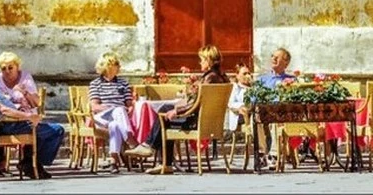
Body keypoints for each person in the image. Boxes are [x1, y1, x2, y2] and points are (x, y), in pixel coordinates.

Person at [139, 44, 229, 175]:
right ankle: (159, 157)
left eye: (202, 59)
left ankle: (156, 153)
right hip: (209, 122)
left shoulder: (209, 78)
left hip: (195, 122)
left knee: (165, 116)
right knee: (167, 108)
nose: (200, 62)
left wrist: (177, 111)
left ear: (209, 61)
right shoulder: (222, 77)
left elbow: (196, 104)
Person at [0, 54, 63, 178]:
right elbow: (3, 110)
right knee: (56, 130)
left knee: (43, 131)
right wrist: (28, 116)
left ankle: (30, 162)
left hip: (11, 121)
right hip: (8, 125)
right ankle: (32, 163)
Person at [88, 52, 141, 173]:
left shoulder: (123, 83)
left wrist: (131, 107)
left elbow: (129, 104)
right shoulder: (95, 84)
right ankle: (130, 139)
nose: (119, 66)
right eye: (115, 64)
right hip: (101, 118)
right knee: (118, 109)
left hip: (119, 118)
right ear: (107, 66)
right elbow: (94, 106)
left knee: (115, 125)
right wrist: (110, 108)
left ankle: (113, 159)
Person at [226, 63, 253, 133]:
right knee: (250, 114)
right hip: (240, 114)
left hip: (252, 113)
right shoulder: (235, 87)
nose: (247, 76)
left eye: (249, 73)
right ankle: (250, 135)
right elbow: (230, 103)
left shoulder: (253, 88)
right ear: (237, 76)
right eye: (244, 74)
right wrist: (242, 106)